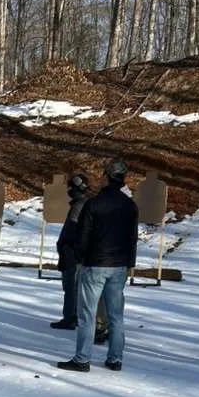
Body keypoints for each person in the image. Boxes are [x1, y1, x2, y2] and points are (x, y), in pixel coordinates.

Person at [57, 158, 138, 372]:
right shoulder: (130, 205)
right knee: (116, 315)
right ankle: (115, 358)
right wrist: (130, 263)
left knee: (87, 314)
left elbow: (83, 236)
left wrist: (81, 257)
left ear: (107, 176)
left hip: (95, 264)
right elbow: (132, 238)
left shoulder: (94, 204)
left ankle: (82, 358)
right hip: (119, 265)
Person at [51, 172, 89, 330]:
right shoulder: (82, 204)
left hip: (72, 252)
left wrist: (65, 246)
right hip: (74, 251)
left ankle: (70, 317)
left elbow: (71, 230)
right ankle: (71, 316)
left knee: (70, 286)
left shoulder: (79, 206)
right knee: (73, 287)